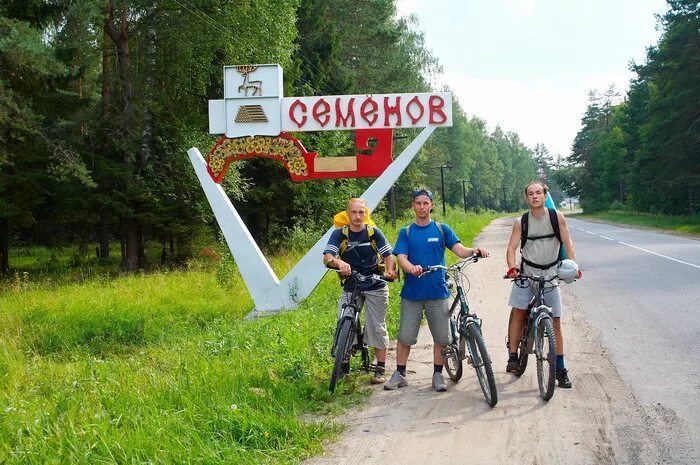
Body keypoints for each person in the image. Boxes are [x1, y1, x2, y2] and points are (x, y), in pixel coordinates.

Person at [384, 188, 489, 392]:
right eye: (418, 203)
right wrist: (410, 268)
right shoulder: (406, 232)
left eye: (426, 203)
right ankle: (400, 373)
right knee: (405, 336)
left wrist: (474, 251)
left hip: (437, 291)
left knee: (441, 337)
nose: (422, 207)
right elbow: (401, 257)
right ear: (413, 205)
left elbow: (459, 249)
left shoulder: (442, 229)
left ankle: (438, 374)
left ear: (431, 205)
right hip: (412, 293)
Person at [505, 181, 581, 388]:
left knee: (555, 320)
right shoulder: (521, 222)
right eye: (531, 193)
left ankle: (560, 369)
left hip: (550, 274)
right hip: (527, 273)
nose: (535, 196)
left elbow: (567, 243)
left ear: (545, 195)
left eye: (538, 193)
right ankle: (513, 355)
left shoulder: (557, 218)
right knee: (519, 310)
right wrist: (512, 268)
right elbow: (511, 248)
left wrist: (572, 266)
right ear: (526, 198)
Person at [323, 198, 397, 384]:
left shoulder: (373, 232)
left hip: (375, 283)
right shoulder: (339, 234)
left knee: (376, 326)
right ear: (347, 215)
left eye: (361, 212)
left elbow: (388, 255)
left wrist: (390, 271)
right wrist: (339, 262)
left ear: (366, 214)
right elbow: (327, 257)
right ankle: (344, 362)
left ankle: (380, 367)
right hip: (352, 284)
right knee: (344, 321)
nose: (357, 216)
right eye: (354, 212)